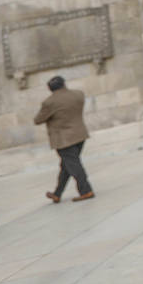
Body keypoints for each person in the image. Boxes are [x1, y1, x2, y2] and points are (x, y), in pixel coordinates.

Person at [34, 74, 94, 202]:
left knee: (74, 165)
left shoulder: (49, 102)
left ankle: (86, 191)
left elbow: (38, 120)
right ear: (64, 84)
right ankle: (57, 193)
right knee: (66, 165)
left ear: (50, 89)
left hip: (63, 139)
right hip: (80, 134)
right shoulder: (78, 94)